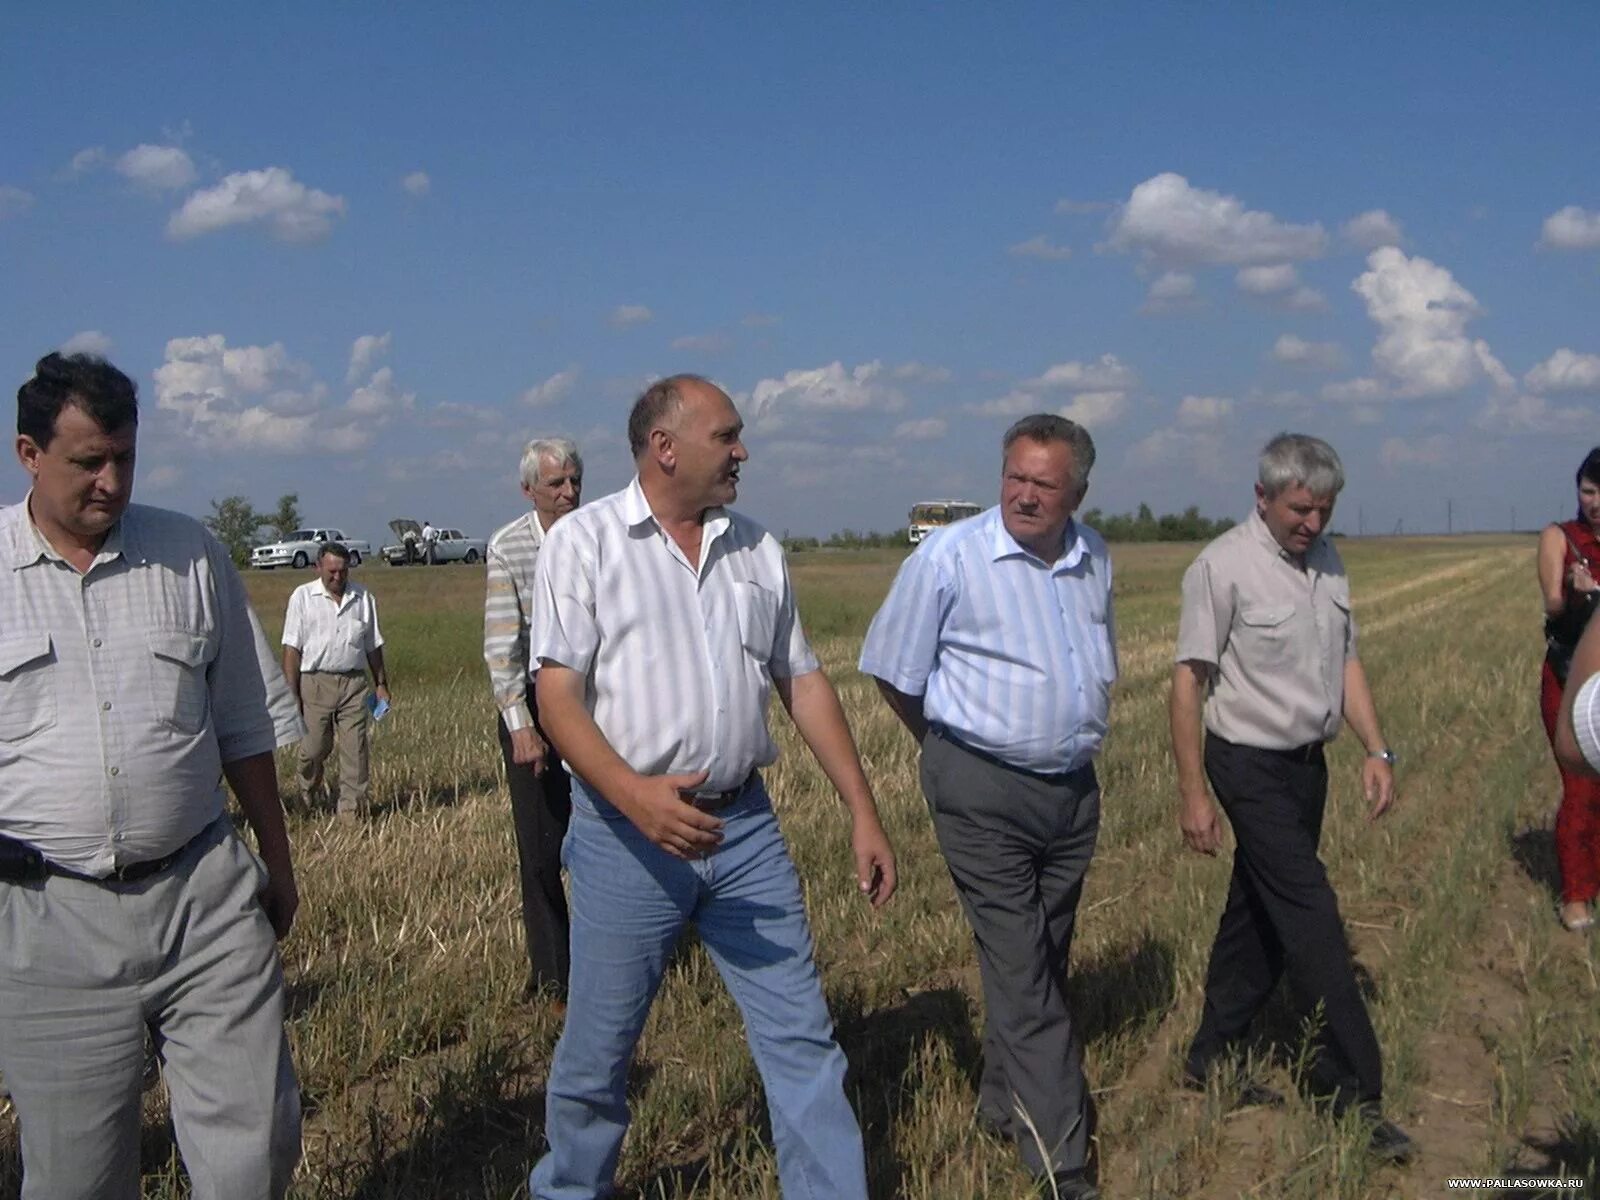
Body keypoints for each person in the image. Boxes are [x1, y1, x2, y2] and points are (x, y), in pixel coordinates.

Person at [527, 374, 896, 1200]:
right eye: (727, 435)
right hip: (627, 841)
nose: (742, 450)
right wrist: (634, 796)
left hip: (745, 835)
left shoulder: (756, 548)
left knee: (803, 1039)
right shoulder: (583, 543)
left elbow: (802, 681)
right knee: (598, 1055)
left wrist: (863, 812)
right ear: (665, 447)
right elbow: (556, 699)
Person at [0, 352, 303, 1198]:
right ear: (29, 453)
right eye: (87, 461)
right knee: (76, 1176)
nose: (110, 481)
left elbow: (244, 728)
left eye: (124, 458)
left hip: (203, 895)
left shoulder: (191, 554)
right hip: (45, 917)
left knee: (255, 1154)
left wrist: (276, 862)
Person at [860, 413, 1114, 1200]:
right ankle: (1061, 1160)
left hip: (1072, 792)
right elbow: (891, 670)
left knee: (1043, 957)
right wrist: (948, 751)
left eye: (1044, 483)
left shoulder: (1094, 556)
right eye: (1014, 476)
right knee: (1023, 970)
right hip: (980, 788)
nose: (1024, 495)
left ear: (1077, 490)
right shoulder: (950, 558)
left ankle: (1004, 1104)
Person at [1171, 432, 1413, 1163]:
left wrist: (1374, 747)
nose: (1312, 524)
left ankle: (1212, 1053)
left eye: (1324, 510)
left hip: (1310, 765)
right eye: (1299, 510)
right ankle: (1353, 1092)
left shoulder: (1329, 563)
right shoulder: (1221, 566)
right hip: (1245, 762)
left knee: (1260, 915)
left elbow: (1347, 659)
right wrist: (1193, 794)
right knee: (1311, 912)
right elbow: (1187, 682)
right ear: (1263, 497)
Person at [483, 436, 583, 1002]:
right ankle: (553, 975)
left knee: (604, 838)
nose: (568, 492)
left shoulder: (603, 536)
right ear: (529, 491)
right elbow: (502, 644)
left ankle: (615, 957)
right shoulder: (509, 547)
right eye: (556, 484)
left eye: (574, 481)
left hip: (597, 704)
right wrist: (520, 724)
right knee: (541, 847)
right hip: (536, 704)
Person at [1536, 448, 1600, 931]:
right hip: (1570, 679)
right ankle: (1576, 896)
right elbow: (1554, 607)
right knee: (1580, 784)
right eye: (1588, 490)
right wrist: (1574, 591)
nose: (1595, 502)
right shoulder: (1560, 538)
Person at [281, 541, 389, 821]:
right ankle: (307, 793)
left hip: (353, 684)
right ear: (318, 567)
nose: (337, 577)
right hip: (315, 683)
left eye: (342, 571)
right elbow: (291, 649)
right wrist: (292, 693)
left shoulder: (363, 598)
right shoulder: (302, 597)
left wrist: (381, 683)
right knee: (314, 748)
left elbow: (373, 645)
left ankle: (351, 811)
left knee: (356, 749)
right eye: (331, 571)